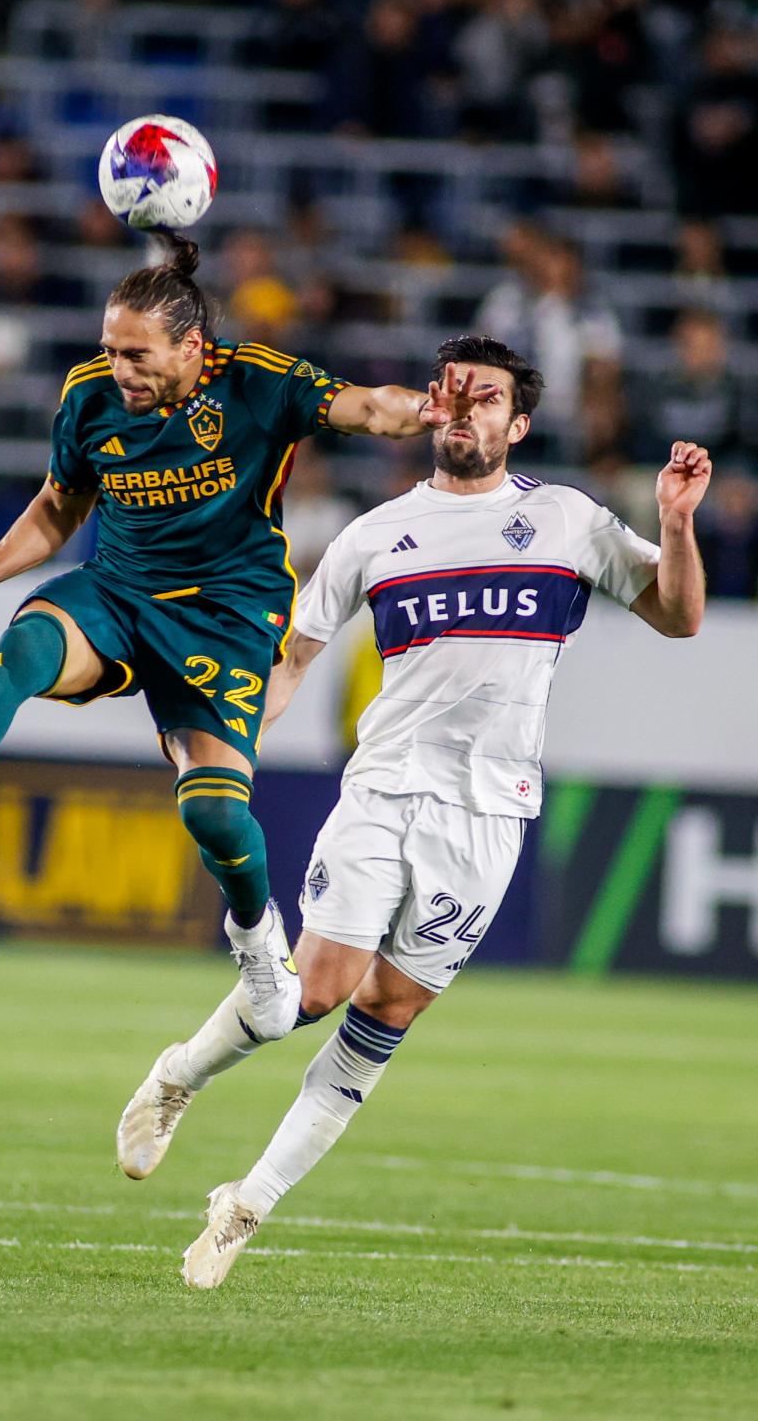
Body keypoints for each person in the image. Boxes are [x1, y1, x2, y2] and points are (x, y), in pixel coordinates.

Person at [116, 334, 712, 1289]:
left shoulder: (564, 522)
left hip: (491, 815)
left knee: (385, 1013)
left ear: (517, 425)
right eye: (457, 393)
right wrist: (220, 750)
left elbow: (680, 616)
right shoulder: (375, 533)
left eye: (490, 400)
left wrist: (677, 522)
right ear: (435, 407)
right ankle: (178, 1074)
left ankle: (245, 1206)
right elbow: (292, 661)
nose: (468, 410)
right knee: (312, 991)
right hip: (386, 787)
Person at [0, 234, 456, 1042]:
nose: (120, 370)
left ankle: (256, 938)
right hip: (120, 590)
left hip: (229, 614)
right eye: (111, 351)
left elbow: (365, 406)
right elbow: (58, 506)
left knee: (214, 816)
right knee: (29, 644)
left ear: (191, 346)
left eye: (136, 355)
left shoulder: (255, 381)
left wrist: (425, 411)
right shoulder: (90, 397)